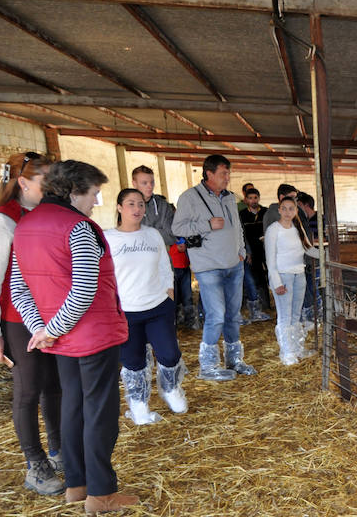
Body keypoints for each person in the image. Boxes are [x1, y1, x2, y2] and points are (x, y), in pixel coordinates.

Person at [11, 160, 137, 513]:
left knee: (73, 408)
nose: (96, 201)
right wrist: (50, 330)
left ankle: (76, 485)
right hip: (93, 334)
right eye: (94, 193)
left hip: (61, 340)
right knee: (100, 414)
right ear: (74, 191)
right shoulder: (78, 227)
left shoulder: (25, 225)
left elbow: (19, 289)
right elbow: (83, 290)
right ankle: (101, 493)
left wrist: (42, 329)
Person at [0, 152, 64, 496]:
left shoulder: (42, 214)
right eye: (45, 180)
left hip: (49, 314)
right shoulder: (4, 220)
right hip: (17, 318)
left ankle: (58, 450)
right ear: (23, 183)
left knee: (54, 384)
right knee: (27, 389)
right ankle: (35, 463)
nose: (52, 187)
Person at [105, 188, 187, 425]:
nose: (137, 209)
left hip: (158, 306)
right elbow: (103, 275)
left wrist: (169, 293)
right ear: (119, 208)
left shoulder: (152, 234)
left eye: (141, 204)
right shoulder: (108, 238)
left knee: (169, 353)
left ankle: (170, 388)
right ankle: (138, 402)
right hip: (127, 310)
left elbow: (164, 265)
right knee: (133, 360)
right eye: (131, 204)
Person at [171, 154, 255, 380]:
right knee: (216, 315)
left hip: (234, 264)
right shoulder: (190, 197)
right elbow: (177, 228)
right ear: (209, 173)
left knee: (233, 314)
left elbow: (237, 226)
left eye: (228, 173)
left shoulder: (229, 197)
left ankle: (234, 360)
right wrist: (207, 224)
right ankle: (208, 366)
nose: (227, 178)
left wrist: (241, 250)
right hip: (208, 266)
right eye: (223, 173)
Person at [264, 196, 318, 364]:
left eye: (291, 209)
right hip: (283, 275)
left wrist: (327, 255)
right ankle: (287, 353)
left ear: (296, 211)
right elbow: (270, 259)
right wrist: (277, 282)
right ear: (279, 210)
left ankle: (296, 348)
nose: (288, 212)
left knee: (296, 315)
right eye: (284, 208)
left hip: (299, 274)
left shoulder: (297, 228)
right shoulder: (274, 229)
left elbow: (308, 248)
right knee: (285, 316)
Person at [238, 186, 271, 322]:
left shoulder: (265, 212)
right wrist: (247, 252)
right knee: (256, 277)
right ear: (246, 200)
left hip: (267, 248)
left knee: (270, 274)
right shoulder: (242, 215)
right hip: (252, 250)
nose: (253, 200)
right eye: (250, 198)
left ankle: (269, 304)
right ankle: (260, 305)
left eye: (255, 198)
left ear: (259, 198)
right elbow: (242, 234)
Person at [132, 165, 176, 247]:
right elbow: (129, 235)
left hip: (160, 253)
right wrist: (158, 231)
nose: (150, 186)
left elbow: (171, 236)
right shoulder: (127, 206)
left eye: (152, 182)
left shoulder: (163, 205)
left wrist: (143, 233)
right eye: (144, 183)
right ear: (134, 184)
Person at [296, 192, 321, 328]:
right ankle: (310, 315)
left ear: (304, 205)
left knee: (314, 288)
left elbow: (324, 239)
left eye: (298, 205)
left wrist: (310, 242)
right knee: (307, 288)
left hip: (315, 261)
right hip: (304, 261)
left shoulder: (320, 219)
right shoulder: (300, 221)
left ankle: (318, 315)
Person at [169, 237, 198, 328]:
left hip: (185, 266)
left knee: (187, 295)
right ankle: (175, 320)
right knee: (175, 296)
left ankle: (189, 321)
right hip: (173, 267)